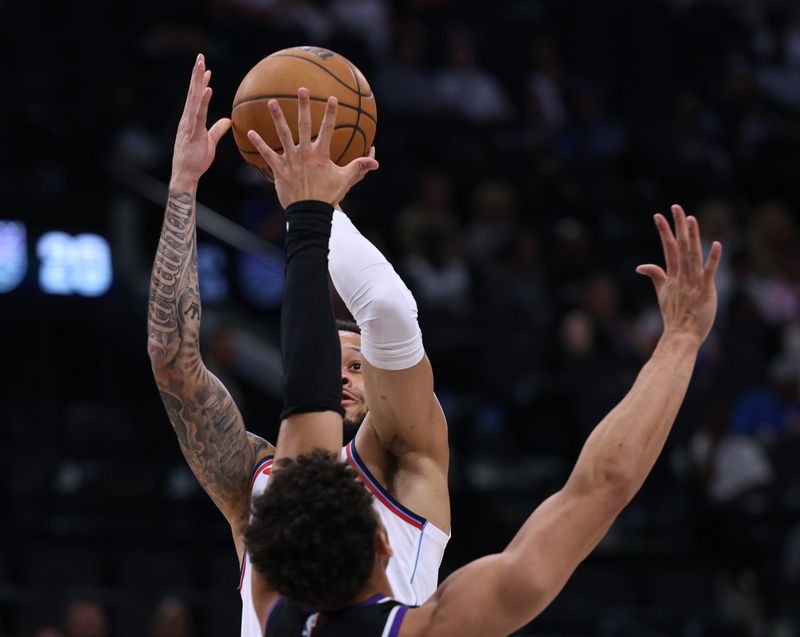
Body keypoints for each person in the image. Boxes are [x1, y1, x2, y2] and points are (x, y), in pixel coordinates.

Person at [243, 194, 723, 635]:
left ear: (271, 561)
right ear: (384, 546)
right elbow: (603, 481)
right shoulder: (428, 628)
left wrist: (309, 211)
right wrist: (682, 338)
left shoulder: (272, 614)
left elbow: (306, 394)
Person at [146, 54, 450, 637]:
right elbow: (170, 359)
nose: (342, 377)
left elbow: (386, 311)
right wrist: (183, 188)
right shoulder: (254, 481)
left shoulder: (405, 457)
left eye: (358, 365)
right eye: (331, 362)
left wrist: (314, 206)